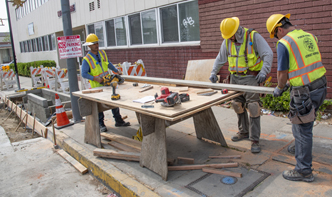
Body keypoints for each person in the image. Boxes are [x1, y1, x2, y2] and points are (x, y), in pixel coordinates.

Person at [266, 13, 327, 182]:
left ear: (279, 29)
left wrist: (280, 87)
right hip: (320, 86)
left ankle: (303, 171)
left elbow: (282, 72)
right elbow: (302, 64)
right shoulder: (309, 36)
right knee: (304, 125)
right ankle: (301, 147)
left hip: (304, 92)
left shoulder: (284, 42)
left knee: (302, 130)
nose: (276, 38)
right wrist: (289, 82)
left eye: (275, 34)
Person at [210, 17, 273, 153]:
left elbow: (268, 54)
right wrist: (213, 72)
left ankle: (255, 139)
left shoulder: (252, 37)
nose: (230, 38)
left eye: (231, 35)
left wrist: (264, 71)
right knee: (237, 105)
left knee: (253, 107)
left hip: (251, 77)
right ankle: (243, 131)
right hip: (234, 78)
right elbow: (220, 59)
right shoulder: (227, 40)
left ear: (237, 30)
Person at [81, 33, 130, 132]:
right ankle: (101, 124)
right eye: (94, 43)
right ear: (89, 46)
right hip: (97, 86)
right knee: (99, 107)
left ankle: (118, 120)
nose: (96, 45)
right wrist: (95, 78)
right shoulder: (87, 59)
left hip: (107, 83)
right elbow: (84, 74)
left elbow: (108, 63)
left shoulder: (102, 53)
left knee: (114, 100)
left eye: (97, 43)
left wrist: (115, 70)